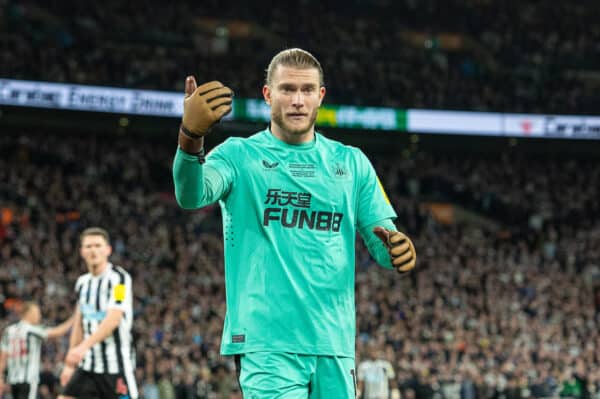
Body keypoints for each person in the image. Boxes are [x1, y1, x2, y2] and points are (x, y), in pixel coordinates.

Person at [172, 48, 417, 398]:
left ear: (321, 96)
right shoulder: (238, 155)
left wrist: (395, 248)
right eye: (287, 89)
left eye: (306, 90)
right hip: (267, 344)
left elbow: (381, 235)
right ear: (268, 94)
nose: (298, 100)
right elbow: (191, 195)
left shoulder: (353, 163)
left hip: (334, 343)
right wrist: (190, 137)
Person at [58, 227, 138, 399]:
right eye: (88, 246)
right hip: (88, 366)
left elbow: (113, 319)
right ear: (81, 252)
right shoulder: (82, 283)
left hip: (115, 366)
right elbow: (79, 323)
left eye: (98, 245)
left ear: (108, 250)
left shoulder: (119, 279)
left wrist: (83, 347)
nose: (93, 250)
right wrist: (70, 363)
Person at [0, 302, 73, 399]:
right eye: (37, 312)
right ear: (29, 313)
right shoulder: (31, 330)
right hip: (28, 379)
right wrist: (74, 319)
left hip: (13, 379)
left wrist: (0, 376)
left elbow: (3, 357)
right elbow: (56, 332)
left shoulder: (9, 330)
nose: (39, 316)